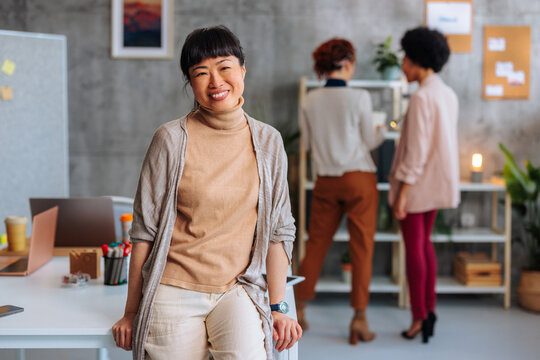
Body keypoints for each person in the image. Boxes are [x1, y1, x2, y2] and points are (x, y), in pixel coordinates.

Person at [112, 25, 302, 360]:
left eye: (225, 67)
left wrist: (279, 307)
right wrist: (131, 312)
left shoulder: (269, 142)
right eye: (201, 72)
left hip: (237, 289)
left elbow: (278, 232)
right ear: (190, 81)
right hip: (174, 288)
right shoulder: (170, 139)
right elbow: (144, 233)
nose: (215, 82)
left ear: (242, 69)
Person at [295, 38, 385, 344]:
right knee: (362, 247)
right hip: (359, 178)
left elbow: (306, 145)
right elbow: (368, 142)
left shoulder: (309, 100)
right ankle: (359, 318)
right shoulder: (359, 97)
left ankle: (298, 309)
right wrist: (382, 131)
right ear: (347, 63)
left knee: (316, 243)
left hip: (325, 180)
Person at [388, 26, 460, 343]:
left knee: (414, 252)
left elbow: (415, 153)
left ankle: (419, 316)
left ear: (417, 60)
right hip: (436, 183)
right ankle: (428, 310)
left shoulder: (420, 98)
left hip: (416, 186)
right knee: (425, 247)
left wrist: (403, 193)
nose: (403, 65)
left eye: (405, 58)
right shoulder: (446, 93)